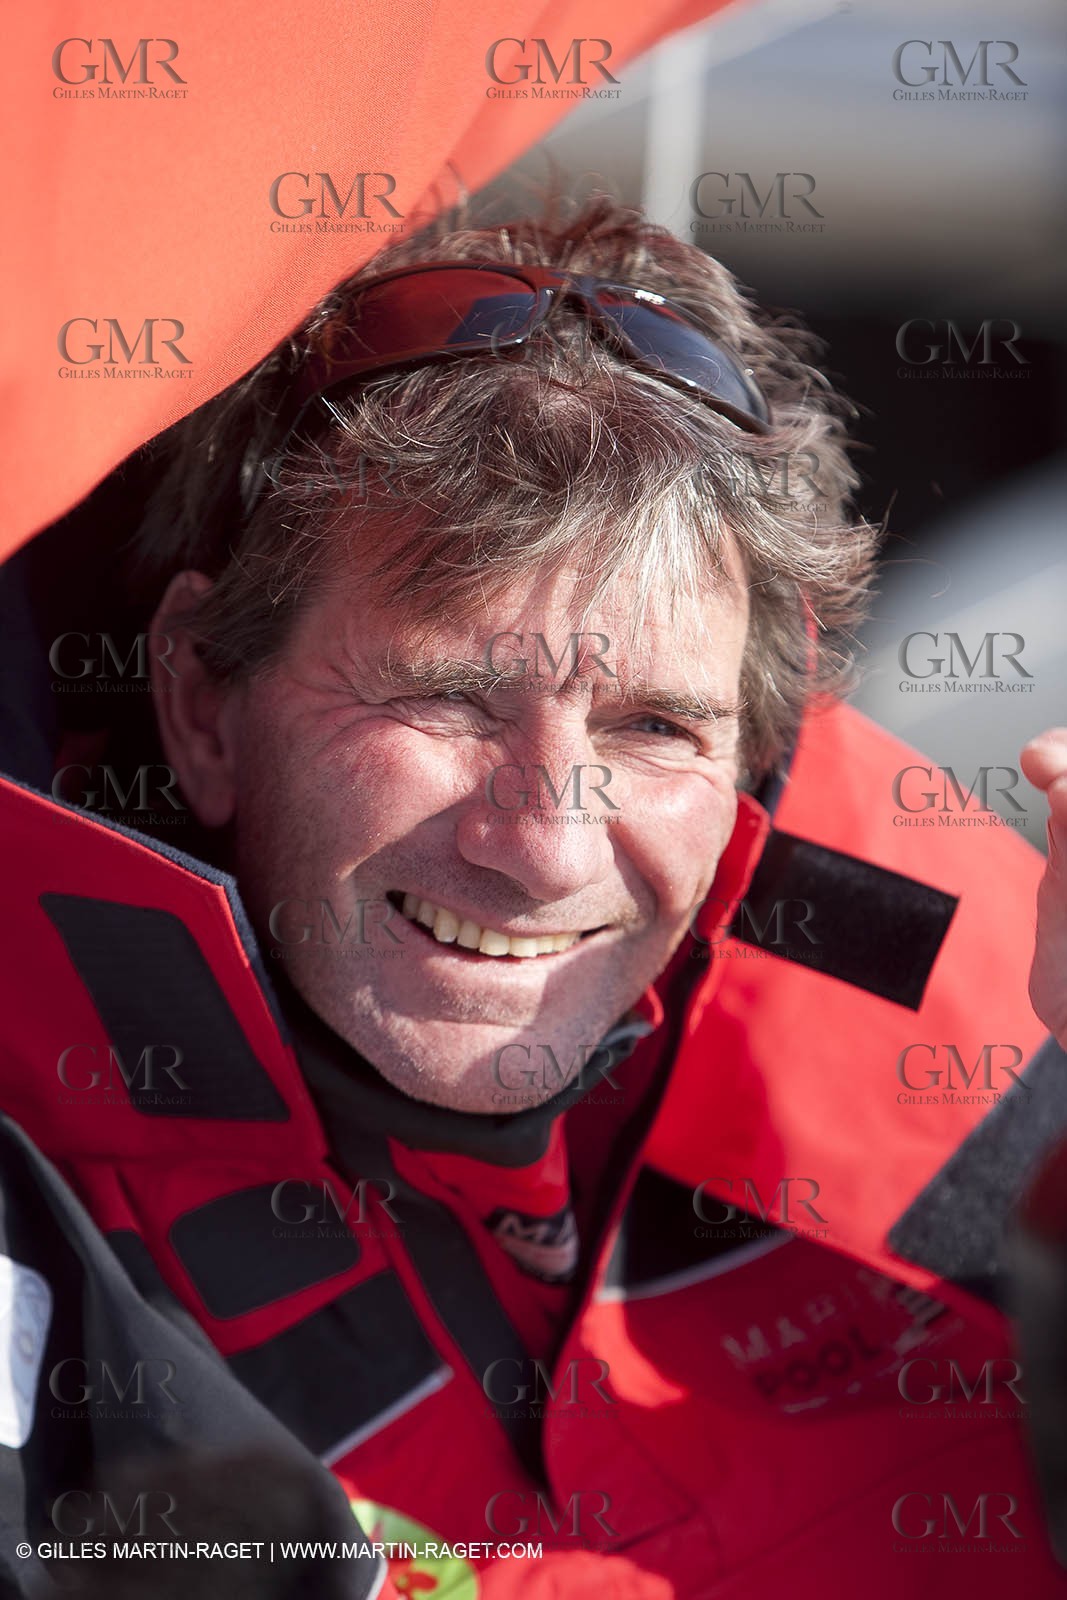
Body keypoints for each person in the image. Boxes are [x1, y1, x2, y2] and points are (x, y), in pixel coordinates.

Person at [2, 195, 1067, 1599]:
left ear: (752, 744)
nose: (548, 847)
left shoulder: (955, 962)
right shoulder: (35, 1163)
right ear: (200, 700)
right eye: (445, 697)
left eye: (652, 730)